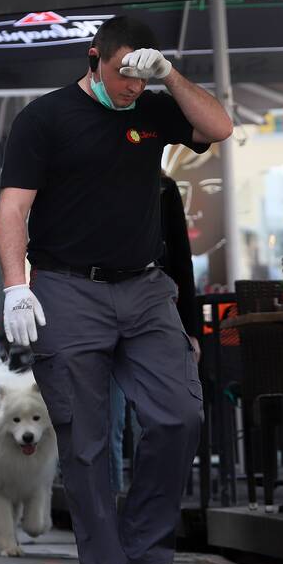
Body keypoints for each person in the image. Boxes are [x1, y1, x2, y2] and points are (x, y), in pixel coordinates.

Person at [0, 16, 232, 564]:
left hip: (146, 288)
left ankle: (146, 555)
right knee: (87, 443)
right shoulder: (43, 119)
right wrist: (16, 287)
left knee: (179, 415)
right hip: (68, 289)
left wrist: (168, 74)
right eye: (122, 72)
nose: (130, 86)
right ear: (95, 57)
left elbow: (219, 126)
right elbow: (13, 207)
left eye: (139, 74)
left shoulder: (152, 106)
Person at [109, 172, 201, 493]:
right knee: (108, 424)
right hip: (98, 309)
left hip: (154, 309)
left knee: (154, 420)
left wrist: (191, 329)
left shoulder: (163, 187)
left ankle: (144, 510)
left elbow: (181, 257)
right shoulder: (90, 178)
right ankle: (111, 514)